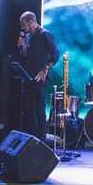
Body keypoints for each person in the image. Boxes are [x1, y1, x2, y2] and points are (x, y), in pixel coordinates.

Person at [17, 11, 59, 141]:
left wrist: (45, 68)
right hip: (29, 76)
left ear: (31, 22)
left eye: (24, 25)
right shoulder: (28, 37)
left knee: (39, 108)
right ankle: (32, 138)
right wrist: (22, 47)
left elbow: (55, 53)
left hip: (41, 76)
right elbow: (26, 56)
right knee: (28, 108)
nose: (23, 28)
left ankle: (42, 139)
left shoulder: (45, 34)